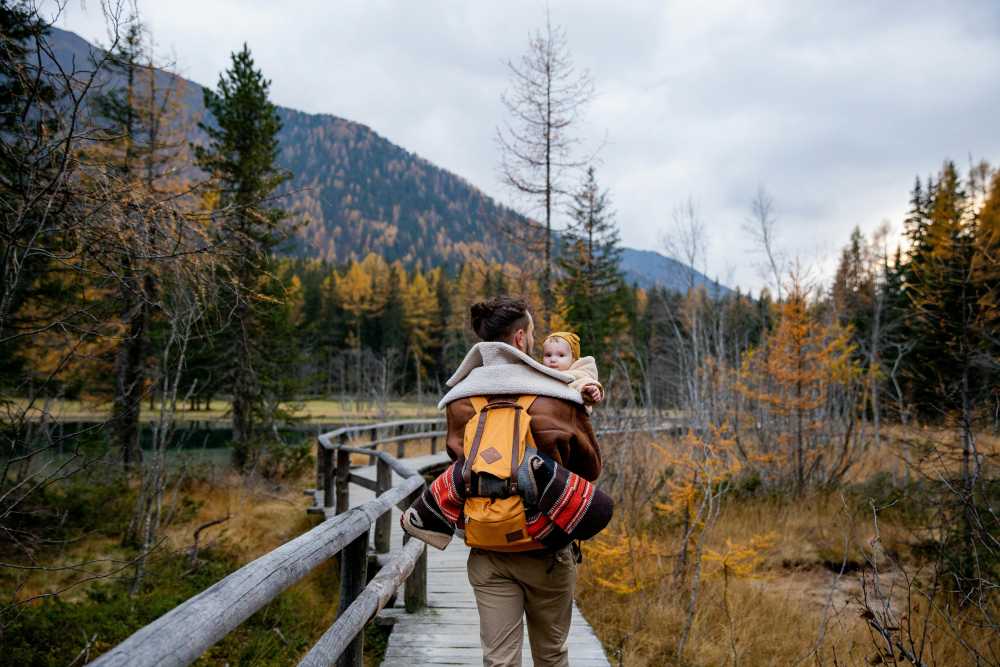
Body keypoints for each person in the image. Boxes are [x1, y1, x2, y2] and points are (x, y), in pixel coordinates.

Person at [435, 296, 602, 667]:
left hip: (488, 548)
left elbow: (459, 461)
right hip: (546, 547)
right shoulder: (557, 396)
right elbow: (589, 471)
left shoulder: (460, 400)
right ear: (522, 337)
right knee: (551, 655)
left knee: (498, 659)